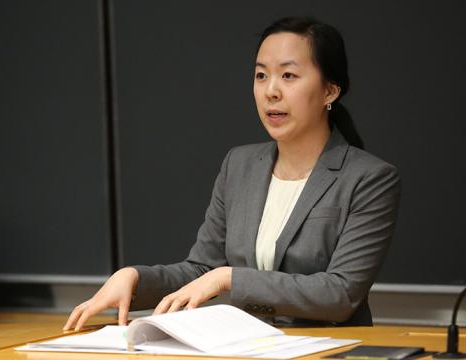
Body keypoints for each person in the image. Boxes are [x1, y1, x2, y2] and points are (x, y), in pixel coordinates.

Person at [64, 16, 400, 331]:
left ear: (330, 90)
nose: (271, 91)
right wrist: (134, 278)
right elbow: (201, 270)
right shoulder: (238, 165)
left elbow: (340, 294)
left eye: (289, 76)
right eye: (261, 75)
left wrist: (230, 278)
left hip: (331, 351)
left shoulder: (369, 178)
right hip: (246, 348)